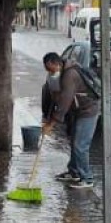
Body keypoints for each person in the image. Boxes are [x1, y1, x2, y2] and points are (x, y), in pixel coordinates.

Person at [42, 53, 99, 189]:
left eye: (50, 69)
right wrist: (48, 117)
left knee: (80, 145)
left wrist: (51, 124)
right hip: (77, 111)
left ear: (56, 63)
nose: (50, 72)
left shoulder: (70, 75)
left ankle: (87, 178)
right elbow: (54, 97)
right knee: (74, 142)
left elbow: (64, 102)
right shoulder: (61, 74)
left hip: (88, 110)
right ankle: (74, 172)